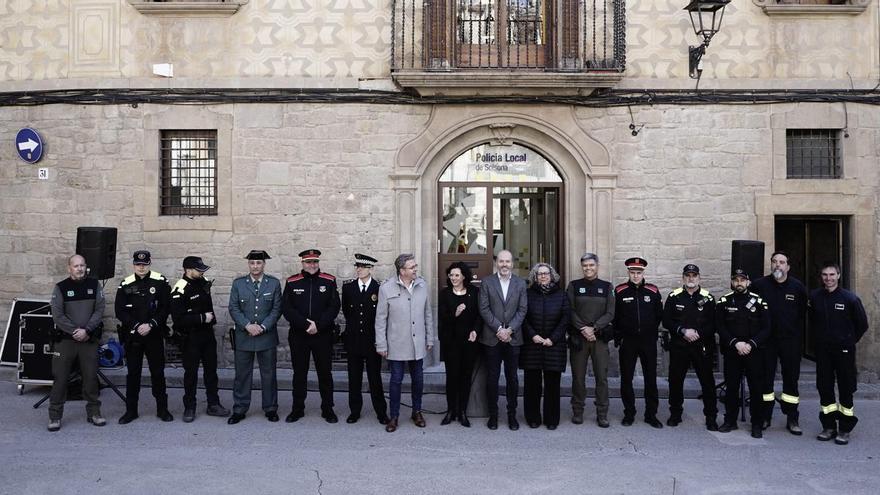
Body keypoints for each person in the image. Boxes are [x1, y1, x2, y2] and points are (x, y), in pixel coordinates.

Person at [809, 262, 869, 445]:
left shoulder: (850, 299)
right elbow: (812, 321)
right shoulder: (815, 297)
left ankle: (844, 428)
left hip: (844, 351)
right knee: (824, 387)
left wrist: (848, 341)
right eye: (825, 275)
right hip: (823, 352)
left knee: (845, 389)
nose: (828, 278)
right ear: (821, 277)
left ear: (838, 276)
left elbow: (862, 324)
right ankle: (828, 426)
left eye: (832, 274)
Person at [375, 253, 435, 432]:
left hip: (418, 343)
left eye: (415, 266)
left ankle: (417, 411)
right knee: (396, 380)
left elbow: (428, 314)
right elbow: (381, 319)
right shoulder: (386, 288)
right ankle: (394, 416)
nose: (416, 269)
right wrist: (381, 344)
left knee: (418, 379)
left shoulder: (422, 285)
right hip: (397, 343)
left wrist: (429, 337)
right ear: (402, 271)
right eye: (412, 267)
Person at [750, 251, 808, 435]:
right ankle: (765, 416)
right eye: (774, 262)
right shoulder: (759, 285)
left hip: (790, 342)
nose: (777, 265)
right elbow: (752, 312)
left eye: (782, 262)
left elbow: (802, 314)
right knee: (765, 380)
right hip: (766, 342)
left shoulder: (797, 287)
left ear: (788, 267)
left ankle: (792, 418)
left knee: (791, 379)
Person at [47, 254, 106, 431]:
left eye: (82, 265)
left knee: (90, 379)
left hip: (88, 340)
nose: (79, 268)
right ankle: (54, 417)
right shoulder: (61, 287)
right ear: (69, 268)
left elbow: (99, 310)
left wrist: (86, 330)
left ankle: (94, 413)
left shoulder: (94, 285)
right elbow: (57, 315)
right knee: (60, 380)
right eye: (76, 266)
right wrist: (75, 331)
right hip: (66, 341)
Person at [281, 249, 341, 424]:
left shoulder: (329, 281)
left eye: (315, 262)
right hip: (300, 335)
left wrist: (318, 325)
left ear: (318, 262)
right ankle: (297, 409)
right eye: (308, 262)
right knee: (299, 373)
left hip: (322, 335)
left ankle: (328, 409)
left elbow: (334, 306)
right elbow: (287, 308)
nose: (312, 265)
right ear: (302, 263)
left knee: (325, 373)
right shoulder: (292, 282)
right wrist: (306, 324)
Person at [115, 250, 173, 425]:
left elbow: (165, 307)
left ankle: (162, 409)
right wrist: (136, 326)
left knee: (157, 373)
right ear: (133, 265)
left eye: (144, 264)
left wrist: (152, 324)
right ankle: (131, 411)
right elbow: (120, 311)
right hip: (134, 337)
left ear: (149, 263)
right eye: (138, 264)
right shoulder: (126, 283)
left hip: (154, 334)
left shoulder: (160, 281)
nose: (141, 267)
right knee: (133, 374)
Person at [170, 256, 230, 422]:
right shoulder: (180, 289)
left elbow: (207, 304)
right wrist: (202, 318)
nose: (202, 271)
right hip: (191, 337)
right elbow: (178, 319)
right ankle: (189, 406)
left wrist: (210, 319)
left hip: (207, 335)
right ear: (188, 270)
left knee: (211, 372)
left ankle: (213, 404)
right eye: (198, 269)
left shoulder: (203, 281)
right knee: (191, 374)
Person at [227, 250, 283, 424]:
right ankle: (240, 409)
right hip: (244, 336)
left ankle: (271, 408)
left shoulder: (273, 284)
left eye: (259, 263)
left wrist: (264, 326)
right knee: (242, 375)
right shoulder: (239, 284)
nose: (255, 266)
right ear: (248, 265)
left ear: (264, 264)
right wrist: (247, 326)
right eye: (252, 263)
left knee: (269, 374)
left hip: (266, 336)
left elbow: (276, 309)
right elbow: (233, 308)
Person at [662, 264, 718, 431]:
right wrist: (683, 331)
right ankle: (675, 414)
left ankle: (711, 417)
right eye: (688, 275)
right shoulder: (674, 296)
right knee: (676, 382)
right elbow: (667, 321)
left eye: (694, 275)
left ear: (699, 278)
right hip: (680, 346)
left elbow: (714, 323)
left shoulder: (708, 298)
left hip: (702, 347)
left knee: (707, 382)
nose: (691, 278)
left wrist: (697, 333)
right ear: (683, 278)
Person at [716, 268, 771, 439]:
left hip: (753, 352)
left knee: (756, 389)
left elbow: (767, 327)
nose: (739, 283)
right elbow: (720, 326)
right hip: (733, 351)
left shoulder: (759, 302)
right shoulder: (724, 302)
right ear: (732, 282)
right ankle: (730, 420)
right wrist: (736, 343)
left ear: (748, 282)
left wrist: (751, 344)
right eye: (736, 280)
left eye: (742, 280)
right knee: (731, 388)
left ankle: (756, 423)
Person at [479, 249, 528, 431]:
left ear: (512, 264)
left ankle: (511, 415)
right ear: (496, 263)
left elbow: (522, 310)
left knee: (512, 379)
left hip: (513, 339)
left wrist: (510, 330)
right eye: (501, 261)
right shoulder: (487, 282)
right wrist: (499, 329)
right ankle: (493, 415)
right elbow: (483, 309)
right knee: (492, 378)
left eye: (507, 261)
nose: (504, 265)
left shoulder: (521, 284)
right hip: (492, 337)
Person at [613, 257, 663, 428]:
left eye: (638, 273)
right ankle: (629, 413)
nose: (635, 276)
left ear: (643, 273)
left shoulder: (653, 291)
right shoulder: (619, 291)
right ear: (628, 272)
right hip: (628, 342)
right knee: (626, 379)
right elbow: (615, 316)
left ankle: (651, 415)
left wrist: (651, 332)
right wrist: (619, 335)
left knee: (651, 379)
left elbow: (658, 315)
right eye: (632, 272)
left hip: (648, 342)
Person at [566, 252, 614, 428]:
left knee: (601, 378)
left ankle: (602, 413)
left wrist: (594, 328)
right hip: (579, 339)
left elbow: (610, 312)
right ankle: (577, 411)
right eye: (585, 266)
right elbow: (569, 310)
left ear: (597, 266)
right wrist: (583, 328)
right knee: (578, 378)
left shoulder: (607, 287)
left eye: (591, 265)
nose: (588, 268)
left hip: (599, 338)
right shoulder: (574, 286)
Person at [341, 253, 389, 425]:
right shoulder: (348, 288)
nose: (359, 270)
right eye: (357, 267)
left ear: (371, 269)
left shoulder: (379, 288)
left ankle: (381, 412)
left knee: (374, 379)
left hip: (371, 340)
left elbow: (382, 316)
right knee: (354, 378)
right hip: (353, 340)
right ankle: (354, 411)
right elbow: (347, 312)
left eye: (363, 267)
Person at [520, 262, 569, 430]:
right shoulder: (527, 294)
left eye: (546, 273)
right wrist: (533, 335)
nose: (543, 276)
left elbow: (565, 319)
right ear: (535, 276)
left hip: (554, 346)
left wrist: (553, 339)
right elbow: (523, 317)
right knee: (532, 385)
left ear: (552, 275)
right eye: (539, 274)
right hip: (532, 345)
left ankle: (552, 419)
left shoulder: (562, 295)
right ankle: (533, 418)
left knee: (552, 385)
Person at [437, 261, 481, 427]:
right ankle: (450, 411)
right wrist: (455, 313)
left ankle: (462, 411)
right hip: (451, 343)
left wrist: (475, 330)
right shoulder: (445, 294)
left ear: (464, 276)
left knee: (465, 377)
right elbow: (442, 318)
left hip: (469, 343)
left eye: (457, 275)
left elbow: (479, 316)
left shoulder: (474, 292)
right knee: (452, 377)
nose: (454, 278)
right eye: (451, 275)